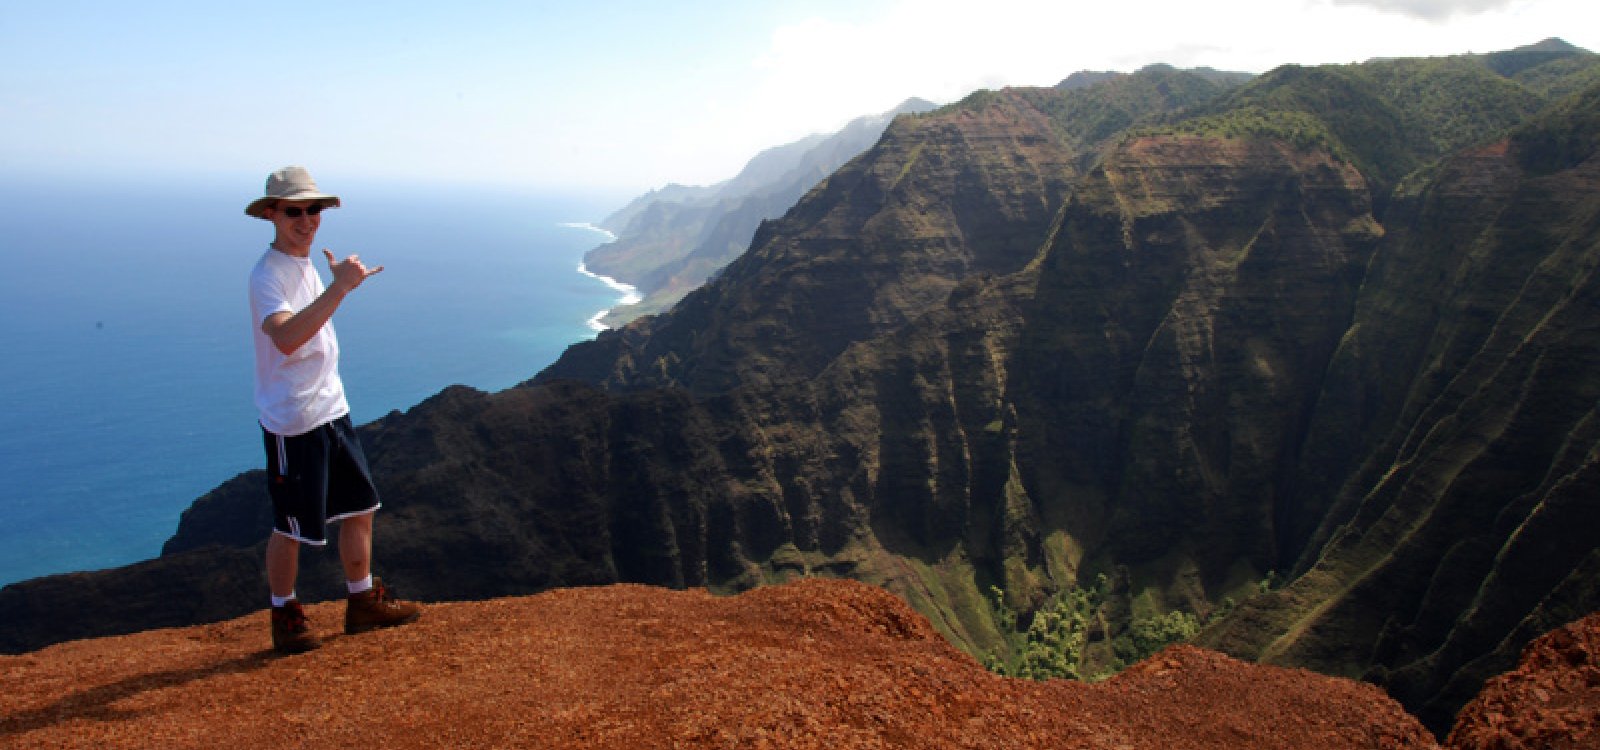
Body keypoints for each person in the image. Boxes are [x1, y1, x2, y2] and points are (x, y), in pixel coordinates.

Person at [245, 165, 420, 654]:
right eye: (294, 211)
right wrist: (340, 287)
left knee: (361, 508)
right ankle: (286, 614)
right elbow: (285, 338)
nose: (307, 220)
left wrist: (336, 283)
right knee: (291, 526)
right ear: (272, 215)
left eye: (313, 210)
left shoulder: (303, 264)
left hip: (331, 409)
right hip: (294, 420)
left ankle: (362, 601)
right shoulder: (267, 276)